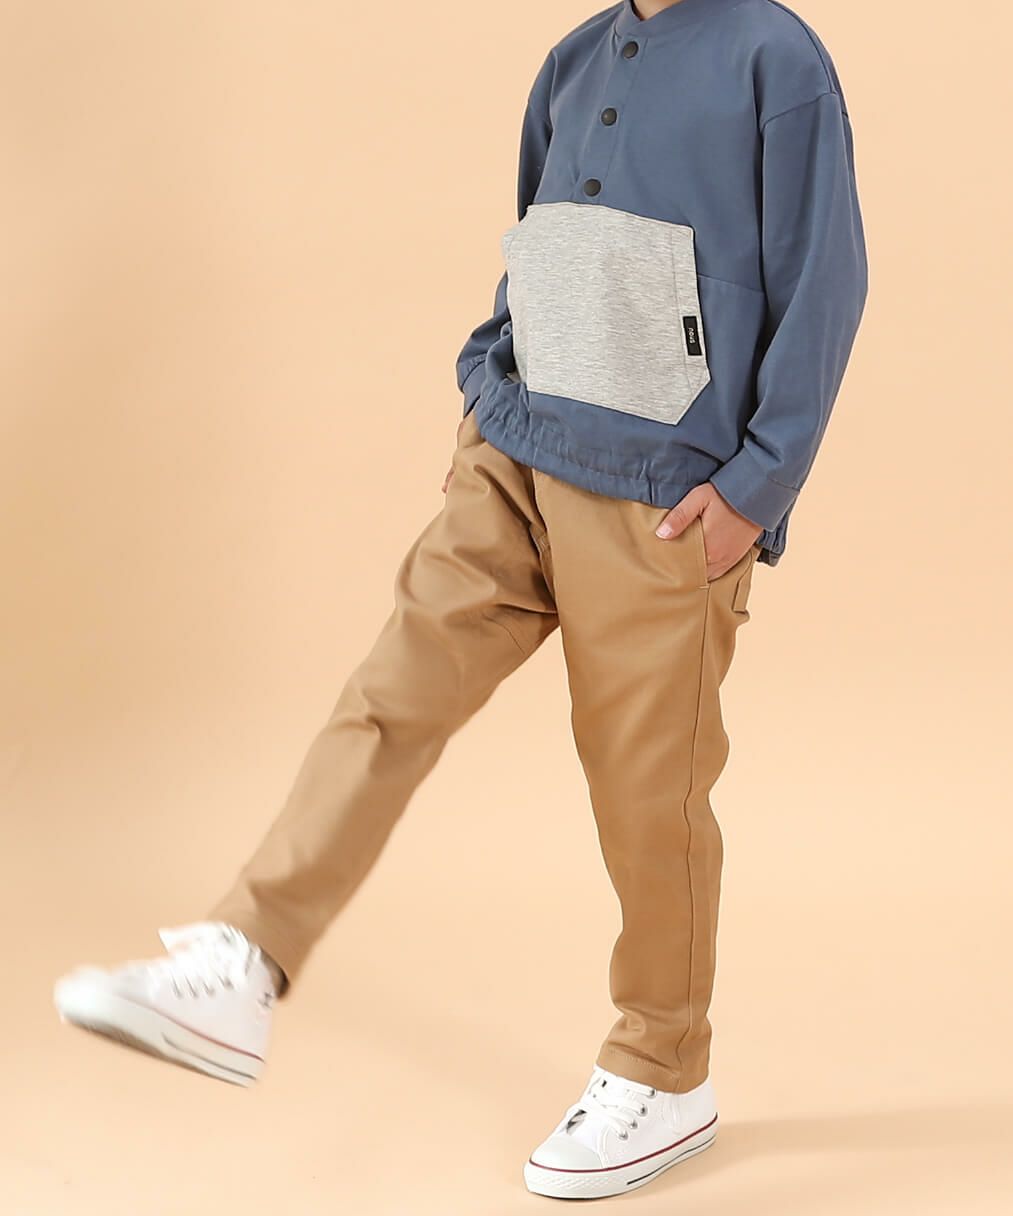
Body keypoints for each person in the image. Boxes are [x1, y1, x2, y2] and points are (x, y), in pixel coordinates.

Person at [53, 0, 867, 1199]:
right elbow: (542, 236)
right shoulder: (573, 59)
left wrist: (755, 486)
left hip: (658, 499)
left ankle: (662, 1067)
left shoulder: (773, 58)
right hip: (515, 453)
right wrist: (487, 390)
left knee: (646, 795)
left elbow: (825, 277)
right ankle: (245, 958)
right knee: (390, 692)